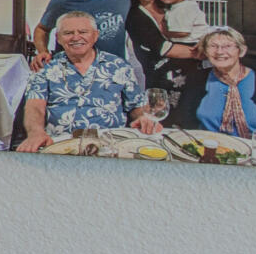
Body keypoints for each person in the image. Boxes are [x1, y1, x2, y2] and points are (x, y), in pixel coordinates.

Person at [20, 10, 161, 150]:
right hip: (61, 145)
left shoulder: (118, 65)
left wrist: (143, 118)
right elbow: (35, 107)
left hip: (111, 144)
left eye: (83, 32)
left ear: (95, 35)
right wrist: (35, 133)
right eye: (68, 33)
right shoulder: (45, 67)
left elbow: (136, 106)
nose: (76, 37)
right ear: (58, 38)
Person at [176, 27, 256, 143]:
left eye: (227, 46)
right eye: (213, 46)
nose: (219, 52)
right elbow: (185, 123)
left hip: (252, 149)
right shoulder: (197, 79)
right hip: (205, 146)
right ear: (205, 52)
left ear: (241, 51)